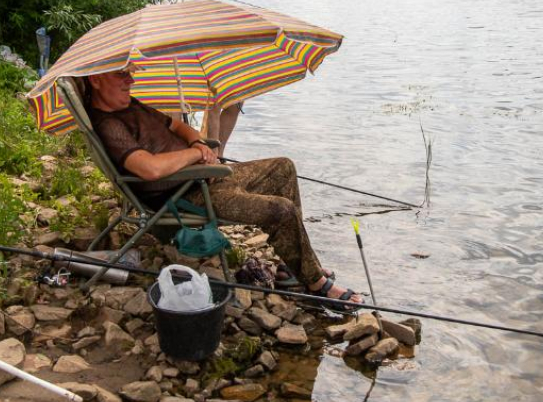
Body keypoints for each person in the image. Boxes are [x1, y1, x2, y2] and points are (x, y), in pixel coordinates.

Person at [86, 67, 362, 308]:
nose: (130, 79)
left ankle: (292, 269)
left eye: (129, 73)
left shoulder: (130, 105)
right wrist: (196, 156)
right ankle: (314, 281)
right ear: (96, 79)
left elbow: (177, 124)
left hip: (203, 178)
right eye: (121, 74)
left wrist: (199, 144)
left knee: (283, 167)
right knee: (281, 210)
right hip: (187, 197)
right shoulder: (109, 124)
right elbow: (150, 169)